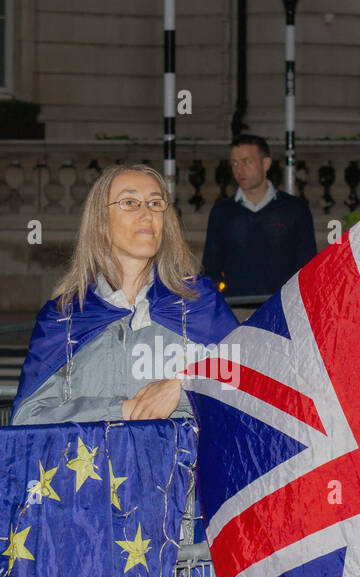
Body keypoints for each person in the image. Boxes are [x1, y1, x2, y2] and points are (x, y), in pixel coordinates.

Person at [12, 164, 237, 425]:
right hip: (94, 466)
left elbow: (253, 380)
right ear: (101, 224)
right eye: (130, 202)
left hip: (182, 465)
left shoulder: (198, 303)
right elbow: (28, 417)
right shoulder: (65, 318)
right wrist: (122, 411)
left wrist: (185, 388)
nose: (146, 213)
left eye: (155, 203)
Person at [200, 134, 317, 298]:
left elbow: (307, 268)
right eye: (234, 163)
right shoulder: (222, 212)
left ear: (266, 163)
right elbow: (211, 269)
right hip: (236, 311)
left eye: (246, 162)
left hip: (282, 311)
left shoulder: (295, 209)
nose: (239, 170)